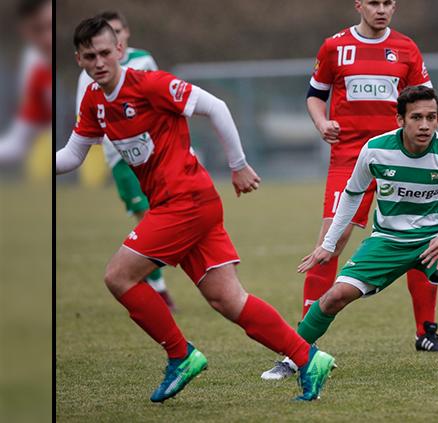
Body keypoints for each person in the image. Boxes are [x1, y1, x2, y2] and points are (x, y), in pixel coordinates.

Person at [55, 17, 335, 402]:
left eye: (106, 52)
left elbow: (215, 106)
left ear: (120, 50)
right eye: (90, 56)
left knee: (118, 277)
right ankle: (308, 359)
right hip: (185, 204)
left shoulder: (149, 84)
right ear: (79, 59)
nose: (100, 61)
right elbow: (72, 155)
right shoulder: (94, 102)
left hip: (184, 201)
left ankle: (180, 354)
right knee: (228, 300)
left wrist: (237, 165)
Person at [263, 0, 438, 381]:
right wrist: (321, 122)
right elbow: (315, 94)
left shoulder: (407, 49)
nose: (382, 9)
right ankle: (304, 341)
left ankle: (426, 331)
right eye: (374, 2)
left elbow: (425, 104)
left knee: (420, 235)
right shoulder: (334, 47)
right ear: (359, 5)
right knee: (333, 236)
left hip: (400, 156)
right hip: (349, 158)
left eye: (388, 3)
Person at [294, 86, 438, 374]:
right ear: (400, 120)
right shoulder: (375, 150)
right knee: (335, 296)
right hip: (388, 241)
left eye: (431, 117)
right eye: (416, 117)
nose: (425, 125)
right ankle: (291, 357)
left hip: (436, 240)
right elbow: (352, 194)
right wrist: (329, 244)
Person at [74, 10, 176, 311]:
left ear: (123, 38)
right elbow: (84, 122)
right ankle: (158, 288)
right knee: (146, 219)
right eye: (91, 53)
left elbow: (169, 102)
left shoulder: (144, 61)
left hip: (155, 157)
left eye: (117, 33)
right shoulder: (89, 79)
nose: (100, 59)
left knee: (165, 218)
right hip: (119, 159)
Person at [0, 0, 51, 165]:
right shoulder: (34, 64)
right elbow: (21, 137)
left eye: (51, 25)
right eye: (38, 30)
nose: (48, 38)